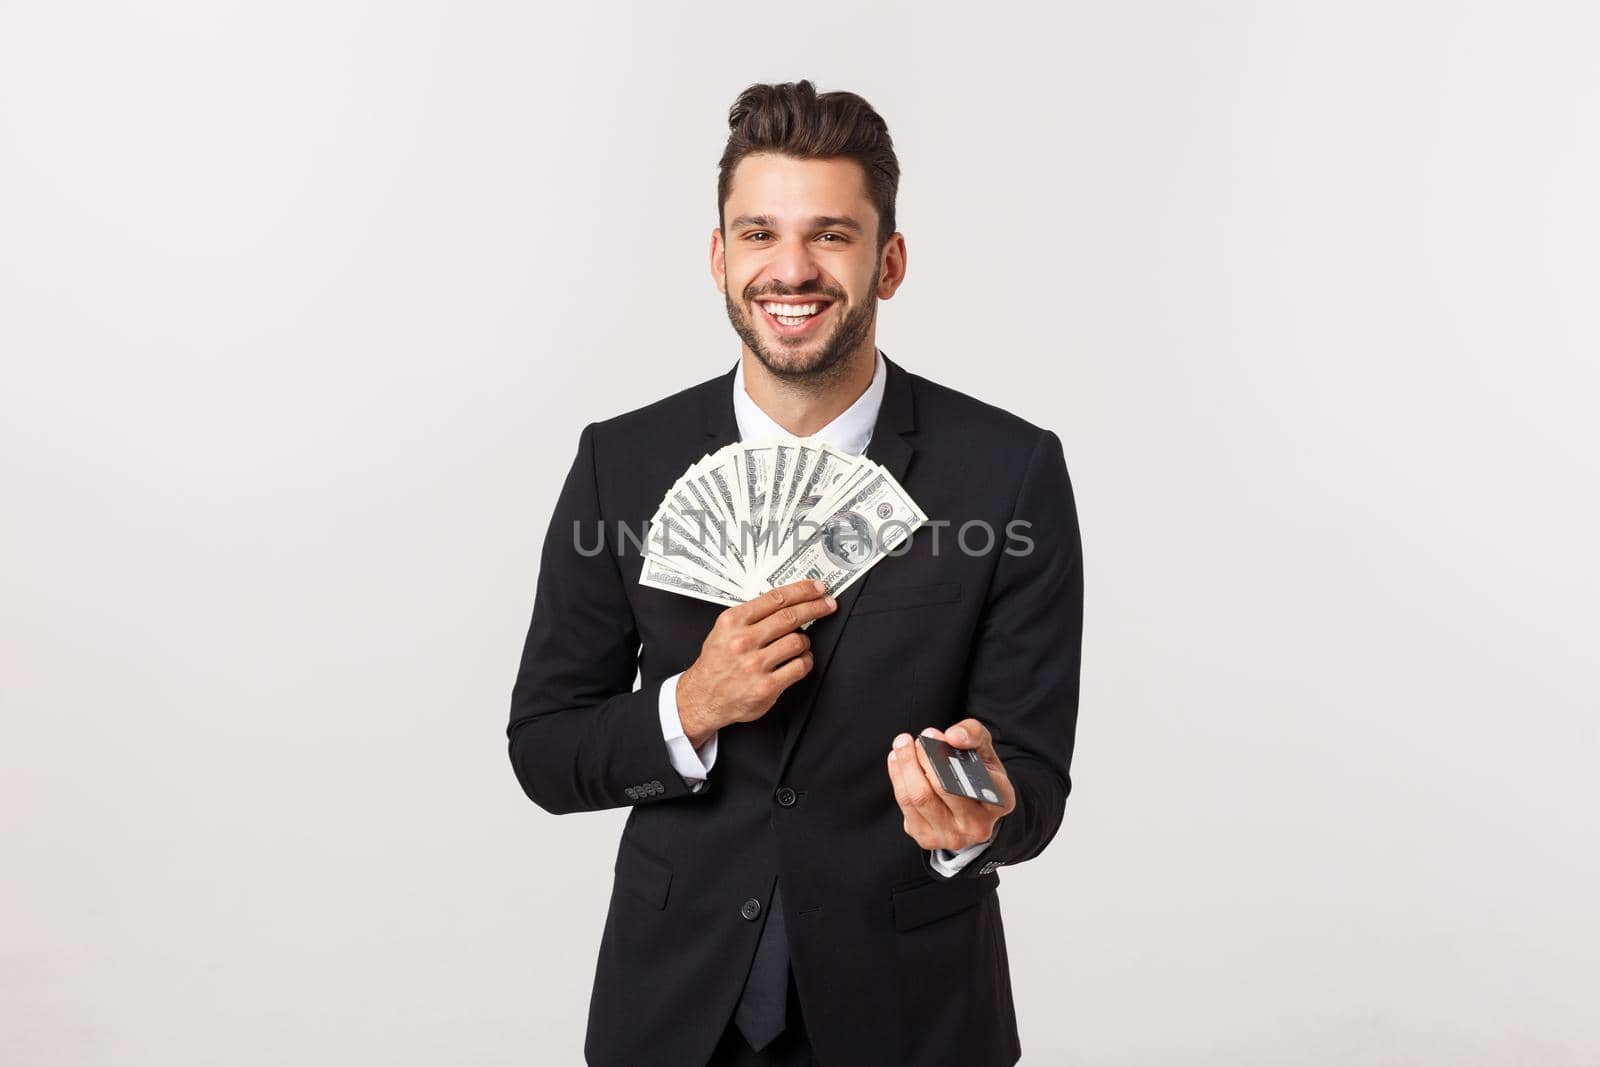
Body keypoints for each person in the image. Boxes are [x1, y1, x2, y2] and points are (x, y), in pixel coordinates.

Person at [507, 79, 1083, 1066]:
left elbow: (1032, 775)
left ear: (887, 261)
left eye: (830, 235)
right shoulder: (622, 461)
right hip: (672, 1011)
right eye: (759, 233)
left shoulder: (1007, 470)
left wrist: (977, 812)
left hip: (913, 1014)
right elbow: (545, 746)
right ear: (718, 256)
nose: (791, 268)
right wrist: (690, 704)